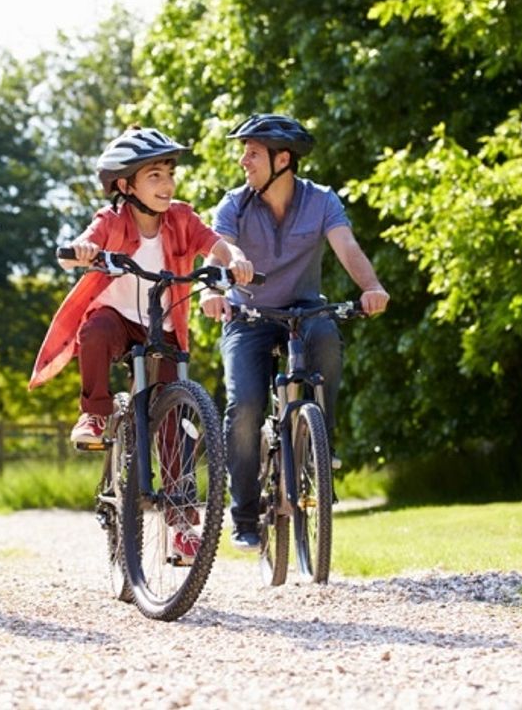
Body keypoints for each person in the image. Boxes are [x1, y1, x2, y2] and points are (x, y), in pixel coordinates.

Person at [29, 125, 253, 559]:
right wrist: (83, 250)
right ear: (125, 185)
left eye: (169, 173)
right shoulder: (112, 219)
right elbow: (90, 238)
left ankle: (182, 522)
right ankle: (94, 414)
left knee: (176, 422)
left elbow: (214, 243)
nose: (167, 184)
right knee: (93, 333)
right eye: (155, 176)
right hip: (116, 318)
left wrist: (236, 259)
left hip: (162, 324)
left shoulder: (182, 218)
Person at [200, 113, 390, 551]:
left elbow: (347, 247)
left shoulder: (321, 200)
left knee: (326, 336)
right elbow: (220, 251)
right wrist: (212, 290)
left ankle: (319, 449)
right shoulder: (234, 204)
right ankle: (244, 513)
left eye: (252, 153)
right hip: (248, 315)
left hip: (303, 310)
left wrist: (372, 288)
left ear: (282, 159)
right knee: (245, 406)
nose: (243, 161)